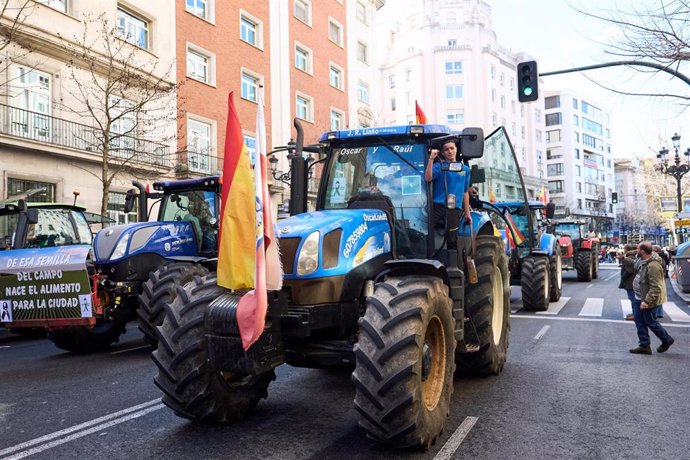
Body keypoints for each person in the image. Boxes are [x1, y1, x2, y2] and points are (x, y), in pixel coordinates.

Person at [629, 241, 675, 355]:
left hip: (647, 299)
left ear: (643, 251)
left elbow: (656, 287)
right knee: (639, 321)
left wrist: (646, 301)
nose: (636, 250)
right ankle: (644, 345)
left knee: (650, 322)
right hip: (639, 296)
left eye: (638, 249)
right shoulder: (643, 260)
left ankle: (666, 339)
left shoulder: (653, 265)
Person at [424, 139, 471, 227]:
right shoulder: (439, 166)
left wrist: (467, 213)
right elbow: (428, 178)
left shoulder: (465, 169)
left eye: (452, 148)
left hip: (455, 208)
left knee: (452, 238)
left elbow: (465, 192)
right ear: (442, 152)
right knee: (425, 229)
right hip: (438, 207)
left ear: (456, 149)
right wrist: (431, 159)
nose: (450, 151)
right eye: (446, 149)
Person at [618, 244, 637, 321]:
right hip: (631, 281)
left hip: (630, 282)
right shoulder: (632, 256)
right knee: (633, 298)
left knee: (633, 299)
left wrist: (623, 277)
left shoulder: (630, 257)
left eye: (624, 248)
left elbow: (629, 270)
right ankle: (634, 313)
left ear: (627, 250)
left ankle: (635, 314)